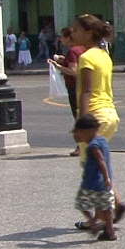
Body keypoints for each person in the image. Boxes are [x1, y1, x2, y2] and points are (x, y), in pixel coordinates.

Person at [69, 14, 125, 220]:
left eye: (76, 29)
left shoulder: (86, 58)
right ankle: (114, 206)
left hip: (95, 116)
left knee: (91, 169)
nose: (73, 33)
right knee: (96, 164)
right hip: (109, 114)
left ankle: (104, 216)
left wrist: (81, 123)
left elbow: (86, 91)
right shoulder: (104, 55)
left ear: (89, 33)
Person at [71, 114, 118, 241]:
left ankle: (93, 222)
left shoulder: (93, 146)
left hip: (92, 183)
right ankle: (110, 231)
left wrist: (106, 177)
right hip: (104, 184)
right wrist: (107, 179)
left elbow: (101, 161)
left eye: (81, 133)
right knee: (105, 207)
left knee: (81, 204)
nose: (80, 137)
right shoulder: (103, 141)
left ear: (88, 131)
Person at [48, 27, 85, 156]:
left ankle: (81, 146)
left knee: (78, 116)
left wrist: (58, 66)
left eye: (62, 37)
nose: (60, 39)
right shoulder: (80, 49)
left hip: (74, 86)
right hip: (82, 85)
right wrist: (64, 61)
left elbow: (73, 71)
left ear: (68, 38)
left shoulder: (72, 51)